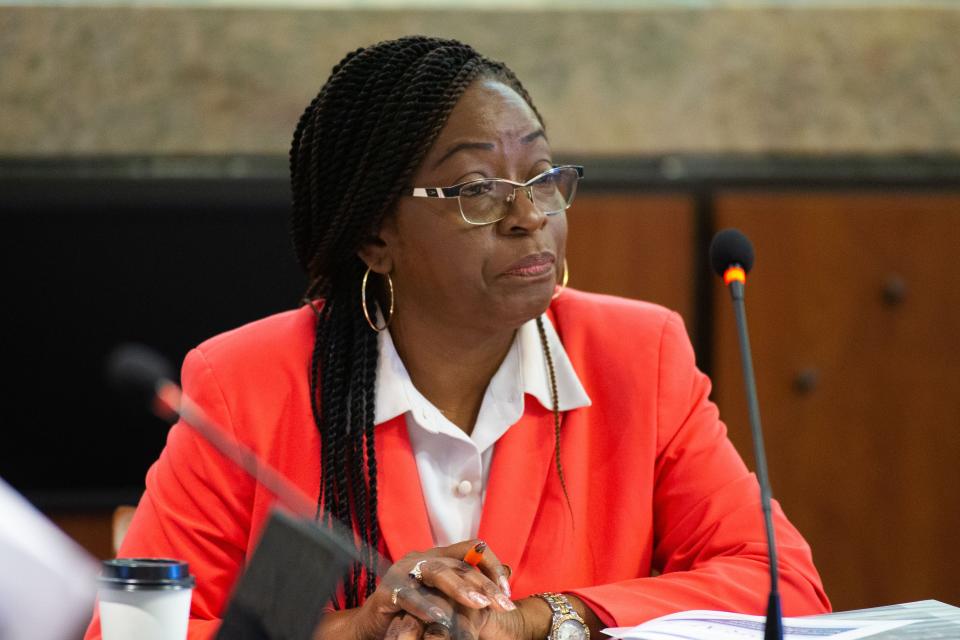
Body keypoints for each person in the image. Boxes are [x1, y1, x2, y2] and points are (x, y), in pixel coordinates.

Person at [84, 36, 829, 640]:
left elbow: (782, 587)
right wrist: (356, 630)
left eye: (541, 176)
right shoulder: (251, 385)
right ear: (375, 236)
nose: (528, 214)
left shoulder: (637, 356)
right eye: (477, 190)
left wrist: (544, 619)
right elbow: (134, 633)